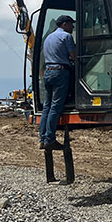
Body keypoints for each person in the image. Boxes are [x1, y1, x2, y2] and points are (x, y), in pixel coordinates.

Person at [39, 15, 76, 150]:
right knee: (56, 106)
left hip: (48, 72)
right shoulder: (66, 36)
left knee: (47, 106)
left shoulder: (48, 38)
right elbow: (74, 56)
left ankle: (42, 139)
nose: (72, 27)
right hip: (60, 72)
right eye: (71, 24)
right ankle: (50, 139)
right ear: (64, 24)